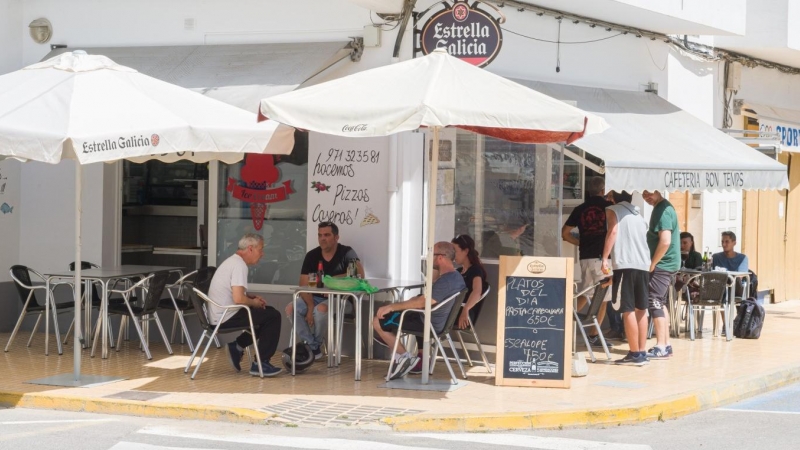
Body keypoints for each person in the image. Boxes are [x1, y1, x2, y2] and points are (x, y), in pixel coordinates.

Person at [374, 241, 466, 380]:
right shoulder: (455, 277)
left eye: (431, 254)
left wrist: (392, 306)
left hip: (428, 323)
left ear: (440, 257)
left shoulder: (446, 281)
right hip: (436, 321)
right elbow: (426, 299)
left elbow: (422, 302)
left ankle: (406, 358)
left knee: (378, 320)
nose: (428, 258)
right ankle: (400, 357)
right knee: (399, 313)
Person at [208, 233, 283, 377]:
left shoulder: (233, 261)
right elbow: (238, 299)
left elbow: (237, 294)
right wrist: (253, 302)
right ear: (250, 249)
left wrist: (250, 298)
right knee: (273, 316)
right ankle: (261, 363)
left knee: (267, 312)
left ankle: (236, 347)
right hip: (225, 317)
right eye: (260, 250)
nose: (262, 254)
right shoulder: (239, 265)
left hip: (222, 314)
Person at [287, 221, 364, 360]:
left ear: (336, 237)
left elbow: (359, 276)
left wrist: (332, 280)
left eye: (327, 235)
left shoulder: (347, 252)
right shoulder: (312, 255)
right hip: (314, 298)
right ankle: (313, 347)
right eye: (320, 235)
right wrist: (310, 306)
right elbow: (303, 285)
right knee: (291, 308)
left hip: (342, 299)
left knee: (321, 309)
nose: (323, 238)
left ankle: (313, 346)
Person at [562, 176, 613, 346]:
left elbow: (565, 233)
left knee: (585, 291)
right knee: (602, 297)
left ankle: (563, 321)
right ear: (603, 190)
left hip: (585, 257)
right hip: (603, 258)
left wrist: (580, 242)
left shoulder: (580, 208)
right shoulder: (610, 208)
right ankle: (593, 335)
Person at [602, 191, 652, 366]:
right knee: (641, 309)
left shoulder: (613, 209)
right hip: (643, 264)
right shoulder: (639, 215)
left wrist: (604, 257)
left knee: (627, 308)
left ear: (614, 198)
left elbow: (613, 231)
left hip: (625, 264)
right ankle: (641, 351)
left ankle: (634, 353)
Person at [642, 190, 681, 360]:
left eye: (649, 193)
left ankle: (661, 346)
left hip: (662, 264)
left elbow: (665, 241)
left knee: (654, 300)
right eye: (643, 194)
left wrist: (653, 263)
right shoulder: (665, 207)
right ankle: (666, 344)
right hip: (668, 264)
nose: (647, 197)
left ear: (658, 190)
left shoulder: (662, 210)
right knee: (660, 301)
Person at [452, 234, 489, 330]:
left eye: (454, 251)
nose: (452, 255)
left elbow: (477, 291)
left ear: (466, 251)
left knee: (427, 318)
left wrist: (466, 309)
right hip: (453, 309)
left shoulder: (475, 270)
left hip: (463, 311)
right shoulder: (458, 271)